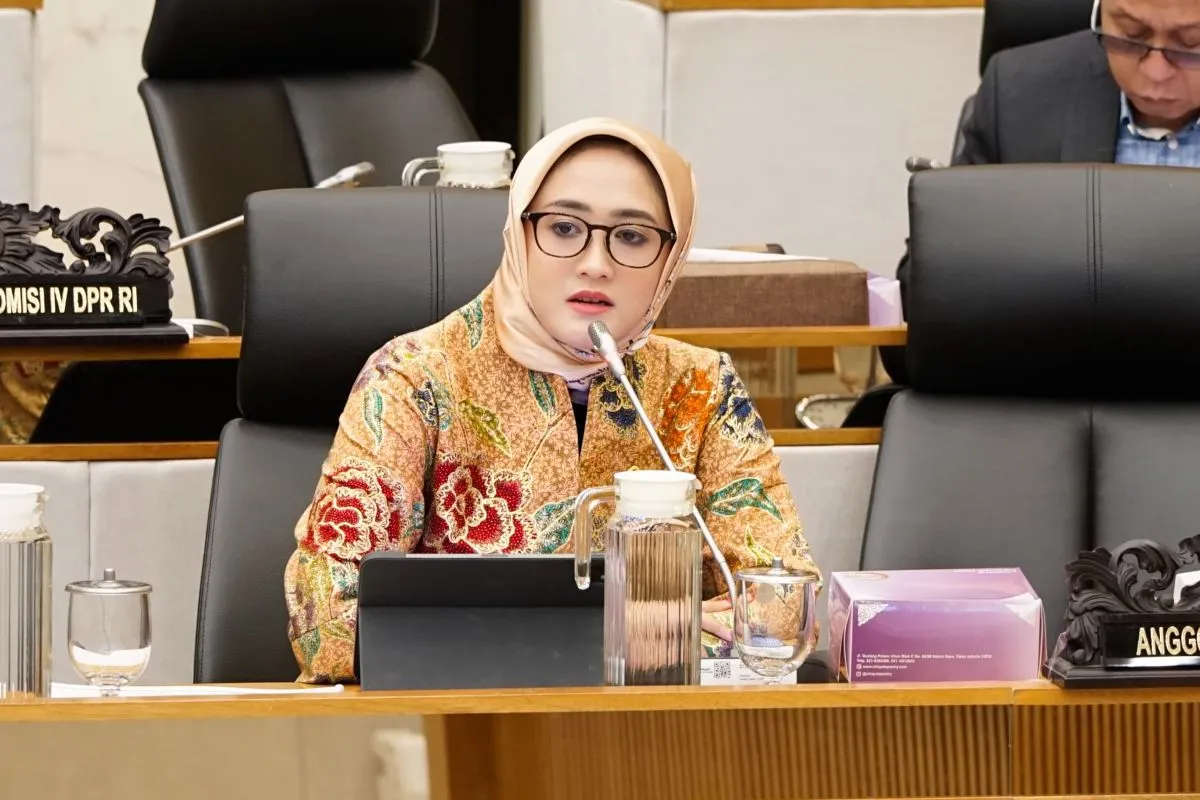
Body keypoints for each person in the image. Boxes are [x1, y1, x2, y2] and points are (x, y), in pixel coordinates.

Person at [284, 117, 819, 684]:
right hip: (454, 724)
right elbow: (328, 626)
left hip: (651, 726)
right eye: (564, 228)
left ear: (671, 257)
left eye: (632, 236)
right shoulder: (414, 375)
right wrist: (642, 632)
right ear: (519, 233)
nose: (596, 263)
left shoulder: (702, 387)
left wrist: (496, 635)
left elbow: (782, 613)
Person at [878, 0, 1200, 392]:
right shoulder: (1018, 92)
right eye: (1131, 36)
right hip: (1041, 398)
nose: (1155, 72)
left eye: (1190, 44)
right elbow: (926, 294)